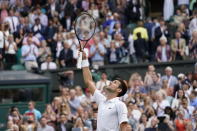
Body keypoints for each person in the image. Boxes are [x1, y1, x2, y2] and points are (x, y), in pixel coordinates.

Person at [80, 50, 129, 131]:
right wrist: (84, 60)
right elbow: (89, 82)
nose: (110, 83)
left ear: (119, 89)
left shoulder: (120, 105)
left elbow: (124, 126)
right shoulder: (101, 100)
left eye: (114, 82)